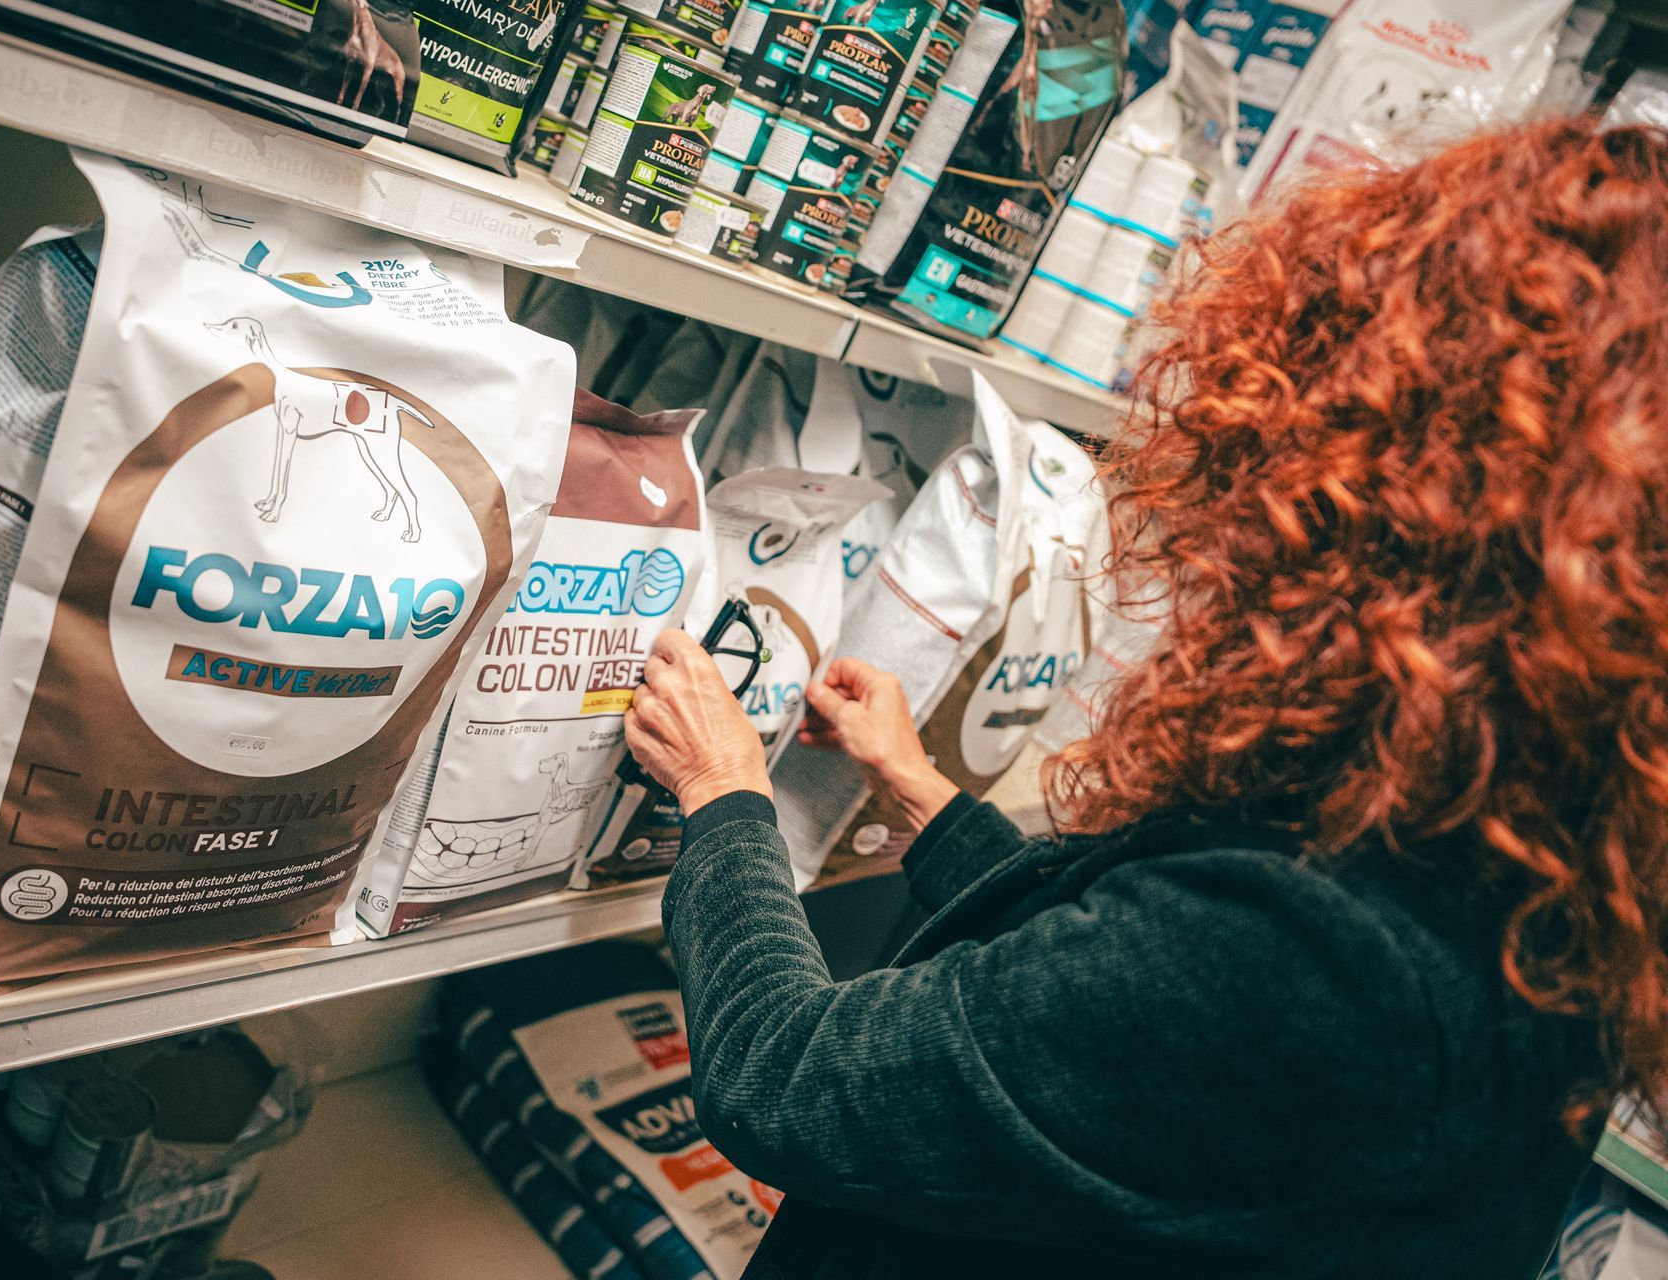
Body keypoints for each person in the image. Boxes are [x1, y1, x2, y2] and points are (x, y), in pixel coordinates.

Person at [621, 118, 1668, 1278]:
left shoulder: (1327, 958)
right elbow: (1123, 1025)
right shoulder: (1529, 872)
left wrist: (726, 796)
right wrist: (921, 791)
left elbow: (784, 1077)